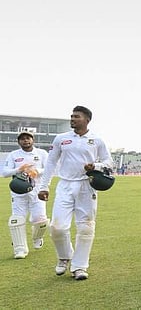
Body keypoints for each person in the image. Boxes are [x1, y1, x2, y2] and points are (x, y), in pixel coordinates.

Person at [38, 105, 113, 281]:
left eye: (76, 116)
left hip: (87, 186)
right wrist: (44, 186)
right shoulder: (61, 139)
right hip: (65, 185)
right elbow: (50, 163)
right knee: (57, 227)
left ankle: (79, 267)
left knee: (86, 227)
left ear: (87, 119)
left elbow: (108, 162)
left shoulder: (97, 140)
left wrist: (96, 166)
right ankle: (64, 257)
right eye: (71, 116)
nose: (72, 119)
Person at [1, 131, 49, 259]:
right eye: (22, 139)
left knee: (41, 220)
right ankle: (20, 249)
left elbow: (50, 168)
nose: (25, 141)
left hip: (37, 190)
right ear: (19, 142)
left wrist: (36, 171)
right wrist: (19, 169)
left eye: (28, 138)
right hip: (18, 191)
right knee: (17, 220)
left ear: (33, 140)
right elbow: (5, 173)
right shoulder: (13, 155)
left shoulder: (42, 153)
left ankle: (37, 237)